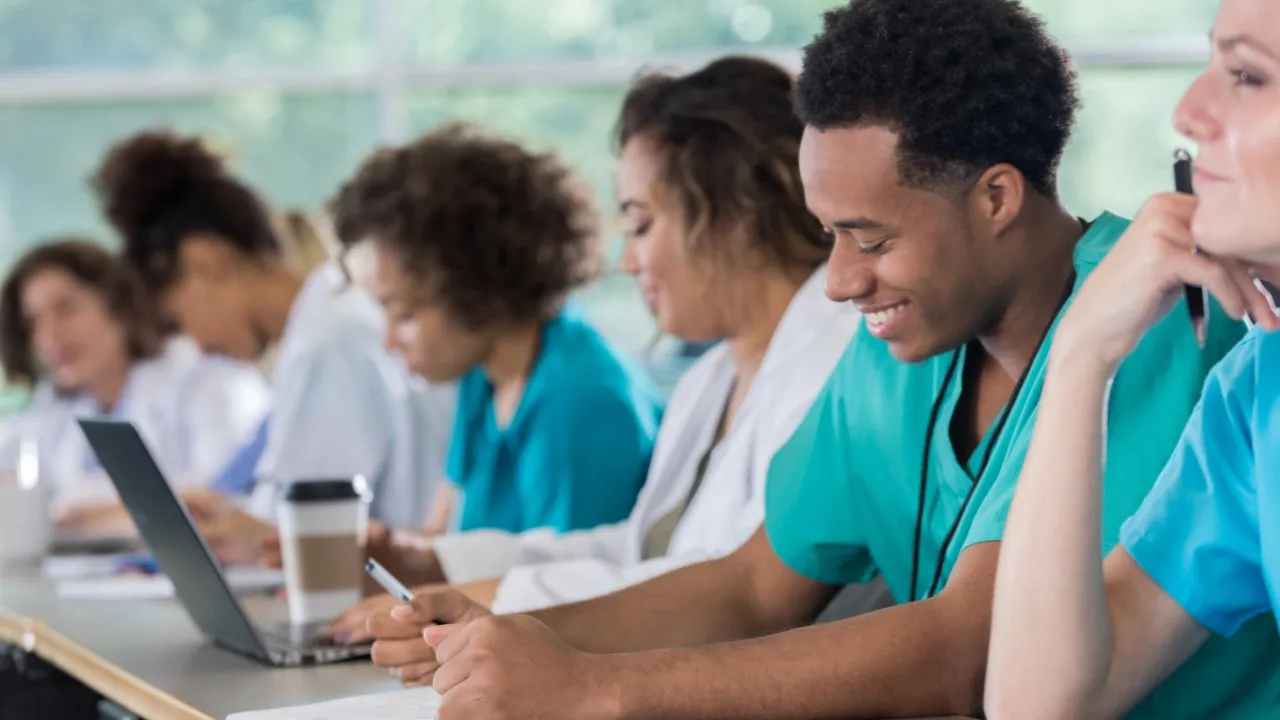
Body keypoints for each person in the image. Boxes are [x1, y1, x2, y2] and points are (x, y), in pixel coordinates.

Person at [353, 2, 1274, 717]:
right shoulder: (903, 347)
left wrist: (592, 691)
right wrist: (510, 636)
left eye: (868, 239)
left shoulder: (1160, 324)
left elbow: (969, 649)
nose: (837, 283)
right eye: (828, 236)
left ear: (996, 197)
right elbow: (755, 586)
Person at [327, 56, 859, 645]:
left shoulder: (838, 361)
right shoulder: (713, 377)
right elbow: (635, 549)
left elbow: (733, 590)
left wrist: (491, 607)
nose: (627, 260)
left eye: (641, 224)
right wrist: (436, 568)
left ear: (736, 209)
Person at [986, 1, 1280, 717]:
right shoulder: (1255, 393)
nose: (1188, 112)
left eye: (1247, 75)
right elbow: (1040, 701)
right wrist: (1081, 351)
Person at [90, 130, 456, 550]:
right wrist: (233, 514)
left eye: (178, 320)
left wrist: (235, 531)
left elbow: (307, 525)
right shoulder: (330, 318)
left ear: (206, 261)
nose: (196, 344)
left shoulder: (328, 341)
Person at [326, 122, 663, 564]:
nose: (389, 340)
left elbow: (571, 593)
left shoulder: (579, 402)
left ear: (480, 289)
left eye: (405, 315)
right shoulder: (484, 374)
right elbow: (438, 538)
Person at [0, 239, 268, 533]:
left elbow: (218, 504)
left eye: (66, 309)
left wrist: (81, 517)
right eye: (33, 320)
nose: (49, 336)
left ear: (118, 307)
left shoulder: (208, 383)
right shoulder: (54, 411)